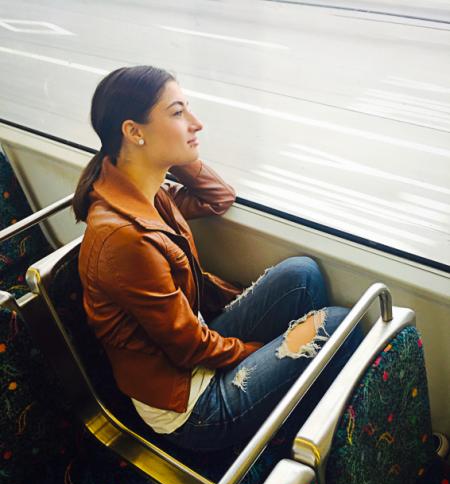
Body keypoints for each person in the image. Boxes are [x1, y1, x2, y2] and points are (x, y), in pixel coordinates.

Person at [73, 65, 362, 452]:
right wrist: (263, 347)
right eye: (177, 113)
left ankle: (293, 407)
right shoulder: (123, 238)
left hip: (194, 342)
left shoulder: (148, 191)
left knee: (301, 275)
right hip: (190, 404)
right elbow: (190, 348)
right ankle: (314, 434)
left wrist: (170, 153)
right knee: (338, 327)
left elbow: (219, 197)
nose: (196, 123)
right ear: (134, 131)